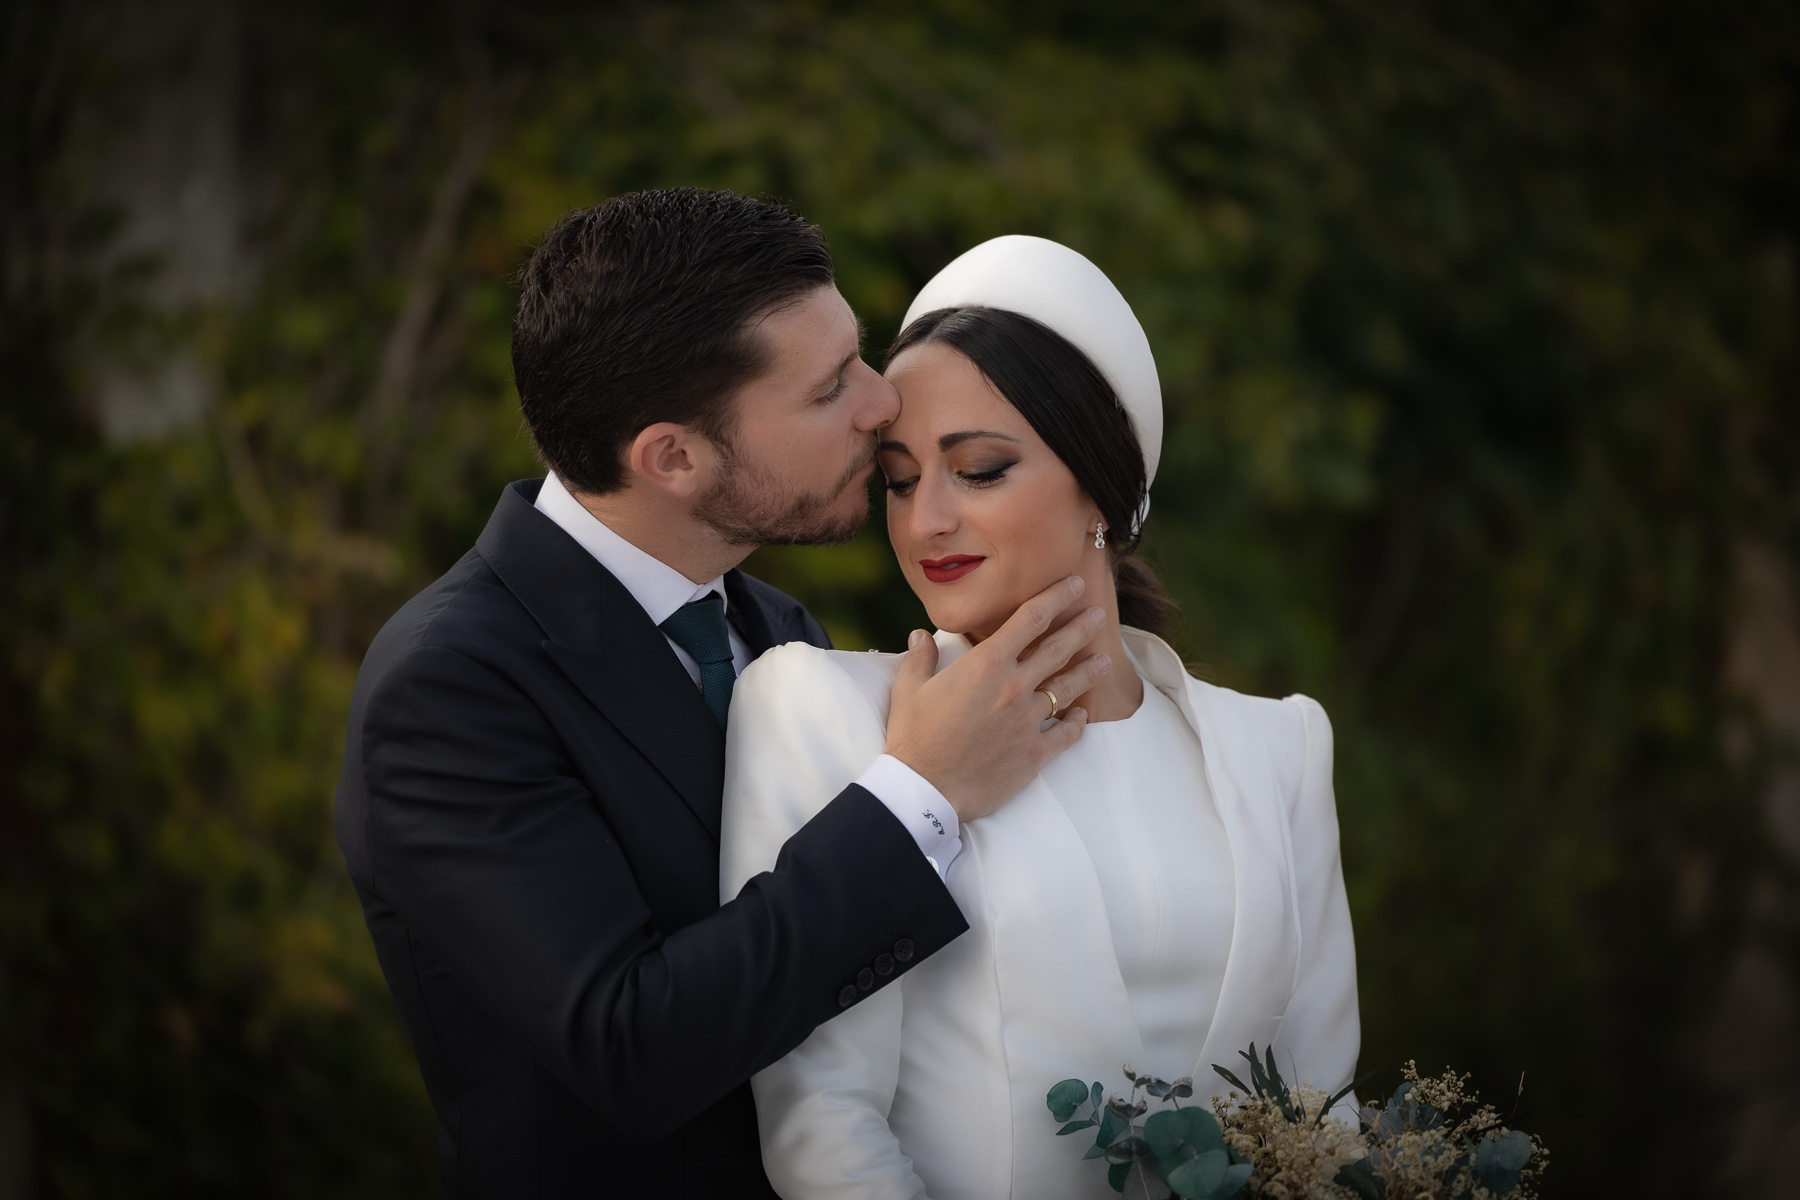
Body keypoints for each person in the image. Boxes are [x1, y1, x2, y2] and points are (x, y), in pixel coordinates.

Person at [333, 193, 1115, 1196]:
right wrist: (920, 793)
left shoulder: (780, 633)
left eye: (860, 354)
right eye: (832, 388)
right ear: (673, 457)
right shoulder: (449, 688)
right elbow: (631, 1044)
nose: (884, 404)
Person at [720, 236, 1361, 1200]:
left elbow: (1324, 1112)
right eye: (898, 479)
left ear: (1102, 486)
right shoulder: (819, 710)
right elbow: (821, 1119)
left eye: (977, 469)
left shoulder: (1279, 750)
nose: (925, 518)